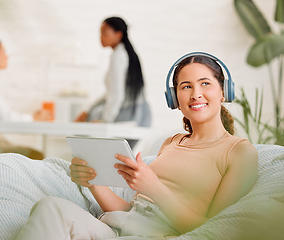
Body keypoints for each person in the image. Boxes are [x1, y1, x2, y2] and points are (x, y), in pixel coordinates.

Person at [15, 53, 258, 239]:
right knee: (51, 207)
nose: (196, 94)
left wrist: (153, 187)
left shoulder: (239, 152)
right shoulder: (172, 143)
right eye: (186, 86)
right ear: (175, 99)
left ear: (224, 91)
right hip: (121, 228)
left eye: (205, 84)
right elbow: (133, 211)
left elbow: (214, 230)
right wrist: (93, 183)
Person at [76, 17, 151, 128]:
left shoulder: (118, 56)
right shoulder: (127, 53)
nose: (101, 37)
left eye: (104, 33)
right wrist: (88, 109)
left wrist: (105, 120)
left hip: (128, 114)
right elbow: (112, 93)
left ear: (118, 35)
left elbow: (116, 95)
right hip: (142, 113)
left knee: (93, 118)